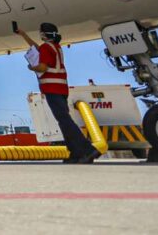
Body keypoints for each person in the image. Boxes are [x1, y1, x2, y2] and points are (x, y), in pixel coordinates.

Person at [16, 23, 101, 164]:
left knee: (64, 121)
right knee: (63, 120)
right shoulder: (55, 47)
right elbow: (37, 49)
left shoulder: (46, 48)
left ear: (44, 34)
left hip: (52, 88)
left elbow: (42, 66)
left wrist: (31, 67)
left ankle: (87, 149)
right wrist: (24, 35)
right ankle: (75, 153)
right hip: (61, 88)